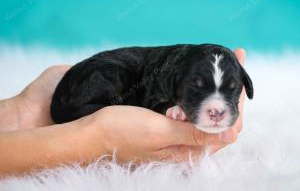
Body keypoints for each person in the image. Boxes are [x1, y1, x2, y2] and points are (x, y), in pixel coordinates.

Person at [0, 49, 246, 176]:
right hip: (86, 87)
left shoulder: (180, 68)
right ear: (177, 80)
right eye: (197, 90)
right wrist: (97, 139)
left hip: (75, 91)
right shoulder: (168, 73)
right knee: (115, 78)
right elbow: (152, 93)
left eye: (231, 90)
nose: (216, 109)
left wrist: (24, 111)